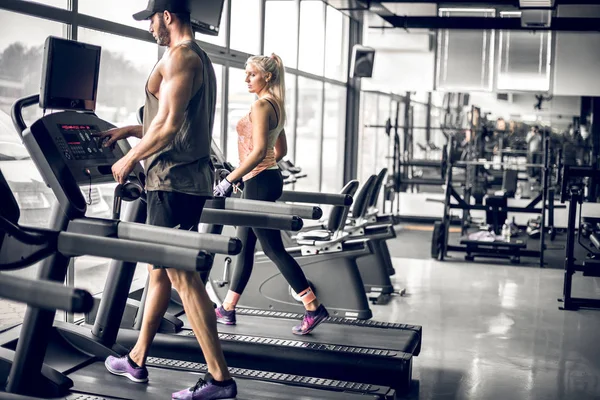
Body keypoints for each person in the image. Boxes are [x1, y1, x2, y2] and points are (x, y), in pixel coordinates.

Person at [96, 1, 236, 399]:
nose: (150, 28)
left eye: (152, 20)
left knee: (181, 277)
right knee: (159, 273)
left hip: (173, 183)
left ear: (168, 16)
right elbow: (175, 120)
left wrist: (129, 156)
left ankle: (220, 380)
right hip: (181, 181)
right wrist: (130, 129)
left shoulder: (181, 57)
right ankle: (137, 359)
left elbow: (171, 125)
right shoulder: (198, 58)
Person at [213, 53, 329, 335]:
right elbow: (280, 151)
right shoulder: (276, 105)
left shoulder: (261, 106)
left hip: (258, 182)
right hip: (265, 178)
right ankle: (227, 307)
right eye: (246, 73)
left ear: (267, 76)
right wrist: (255, 171)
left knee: (272, 248)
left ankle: (312, 307)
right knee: (244, 245)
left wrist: (231, 178)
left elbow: (257, 151)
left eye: (251, 73)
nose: (246, 78)